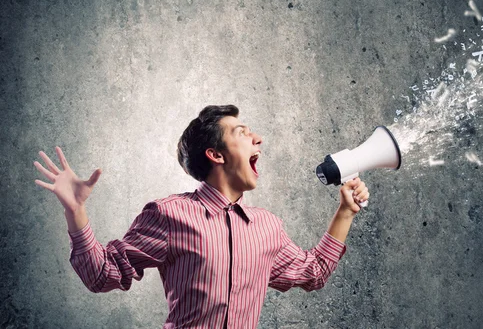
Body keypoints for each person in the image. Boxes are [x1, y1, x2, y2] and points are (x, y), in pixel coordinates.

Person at [33, 105, 369, 328]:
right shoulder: (169, 214)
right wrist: (76, 211)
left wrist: (345, 212)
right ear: (215, 154)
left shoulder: (267, 227)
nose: (258, 138)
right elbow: (102, 275)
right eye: (242, 132)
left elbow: (314, 274)